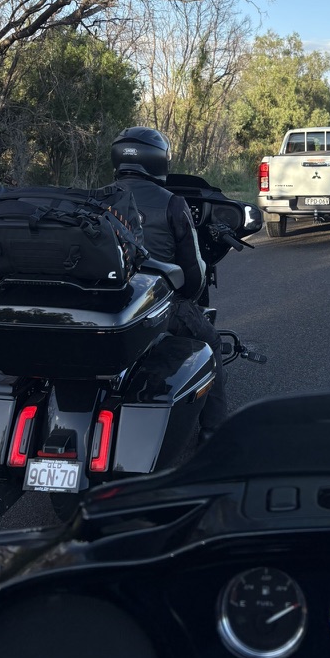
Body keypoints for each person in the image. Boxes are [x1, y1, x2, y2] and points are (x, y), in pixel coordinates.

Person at [111, 126, 227, 441]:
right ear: (159, 161)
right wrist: (190, 296)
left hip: (109, 304)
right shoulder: (173, 203)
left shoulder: (100, 198)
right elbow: (192, 272)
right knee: (212, 342)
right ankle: (214, 430)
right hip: (159, 305)